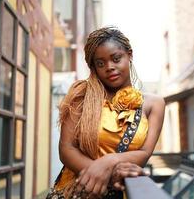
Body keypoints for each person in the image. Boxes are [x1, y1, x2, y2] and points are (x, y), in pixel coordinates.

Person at [47, 26, 165, 199]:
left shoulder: (154, 104)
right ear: (93, 67)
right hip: (79, 191)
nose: (109, 67)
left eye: (116, 58)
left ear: (129, 55)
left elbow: (144, 153)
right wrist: (100, 174)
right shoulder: (81, 96)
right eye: (100, 63)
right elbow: (66, 148)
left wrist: (108, 161)